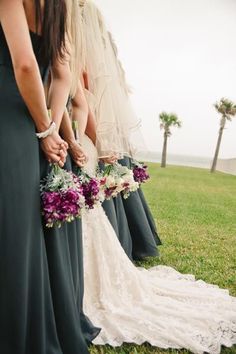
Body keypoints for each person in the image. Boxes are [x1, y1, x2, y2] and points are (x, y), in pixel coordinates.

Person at [0, 1, 98, 353]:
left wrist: (46, 130)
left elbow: (25, 64)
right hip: (34, 119)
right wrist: (51, 129)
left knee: (11, 233)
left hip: (9, 118)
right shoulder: (58, 8)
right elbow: (63, 77)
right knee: (27, 231)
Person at [80, 0, 161, 260]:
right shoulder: (97, 28)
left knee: (108, 175)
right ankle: (134, 238)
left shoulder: (80, 25)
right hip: (101, 120)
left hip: (93, 118)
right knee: (115, 175)